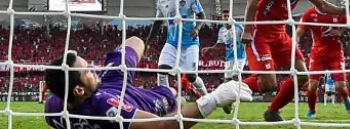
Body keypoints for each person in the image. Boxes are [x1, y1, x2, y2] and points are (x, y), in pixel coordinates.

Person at [240, 0, 350, 122]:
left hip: (280, 33)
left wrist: (345, 10)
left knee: (302, 76)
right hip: (259, 31)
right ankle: (228, 90)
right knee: (268, 85)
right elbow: (252, 0)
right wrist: (247, 29)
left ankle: (272, 111)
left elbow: (323, 5)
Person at [43, 36, 251, 129]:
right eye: (88, 70)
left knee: (134, 43)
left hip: (108, 87)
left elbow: (58, 92)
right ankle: (167, 88)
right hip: (127, 100)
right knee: (171, 95)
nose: (93, 71)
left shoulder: (53, 109)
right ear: (78, 89)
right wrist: (214, 99)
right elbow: (161, 127)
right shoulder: (105, 107)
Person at [295, 0, 350, 117]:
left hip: (336, 55)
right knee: (312, 85)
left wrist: (340, 31)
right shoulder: (309, 14)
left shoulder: (336, 12)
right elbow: (299, 32)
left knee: (340, 86)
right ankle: (312, 110)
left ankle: (346, 99)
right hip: (317, 54)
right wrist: (295, 42)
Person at [150, 0, 208, 97]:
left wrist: (197, 28)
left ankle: (206, 96)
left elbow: (202, 16)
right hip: (172, 42)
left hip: (190, 43)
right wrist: (147, 43)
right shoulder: (162, 0)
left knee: (191, 77)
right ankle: (167, 101)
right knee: (161, 70)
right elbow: (157, 23)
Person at [205, 9, 246, 114]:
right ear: (222, 18)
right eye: (224, 16)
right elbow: (219, 45)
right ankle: (228, 102)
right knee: (227, 80)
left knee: (235, 77)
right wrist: (209, 48)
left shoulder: (238, 27)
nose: (226, 18)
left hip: (240, 57)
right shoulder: (221, 31)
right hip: (229, 58)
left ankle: (234, 99)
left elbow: (246, 39)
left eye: (228, 16)